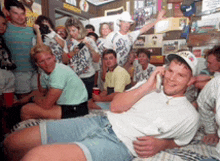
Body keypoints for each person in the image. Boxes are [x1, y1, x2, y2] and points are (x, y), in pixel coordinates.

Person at [4, 50, 199, 161]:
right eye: (170, 71)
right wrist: (148, 85)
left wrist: (163, 143)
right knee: (12, 143)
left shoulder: (189, 116)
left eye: (181, 75)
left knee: (36, 157)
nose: (172, 78)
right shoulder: (150, 86)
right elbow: (115, 106)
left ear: (191, 81)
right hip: (100, 121)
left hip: (120, 143)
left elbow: (182, 141)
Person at [20, 44, 88, 121]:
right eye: (42, 61)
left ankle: (35, 132)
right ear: (37, 64)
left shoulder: (59, 71)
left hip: (76, 108)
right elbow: (41, 92)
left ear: (54, 57)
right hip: (65, 106)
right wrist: (23, 100)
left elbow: (46, 105)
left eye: (48, 59)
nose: (47, 64)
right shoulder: (43, 73)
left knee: (26, 110)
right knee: (29, 106)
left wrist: (33, 99)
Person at [4, 1, 38, 99]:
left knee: (37, 99)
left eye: (22, 13)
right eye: (15, 13)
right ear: (8, 13)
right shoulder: (5, 29)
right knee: (23, 100)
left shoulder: (31, 30)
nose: (20, 17)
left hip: (35, 71)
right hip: (18, 72)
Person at [62, 17, 100, 99]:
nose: (71, 33)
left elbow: (96, 59)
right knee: (75, 100)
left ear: (80, 29)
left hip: (88, 77)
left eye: (73, 30)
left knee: (88, 100)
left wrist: (90, 47)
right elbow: (64, 60)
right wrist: (72, 53)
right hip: (73, 77)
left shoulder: (89, 40)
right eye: (69, 31)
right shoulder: (68, 42)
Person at [96, 22, 113, 91]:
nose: (105, 30)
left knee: (110, 87)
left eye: (107, 28)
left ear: (110, 30)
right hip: (99, 67)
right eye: (103, 29)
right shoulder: (97, 41)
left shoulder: (113, 40)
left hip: (110, 67)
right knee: (101, 87)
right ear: (100, 30)